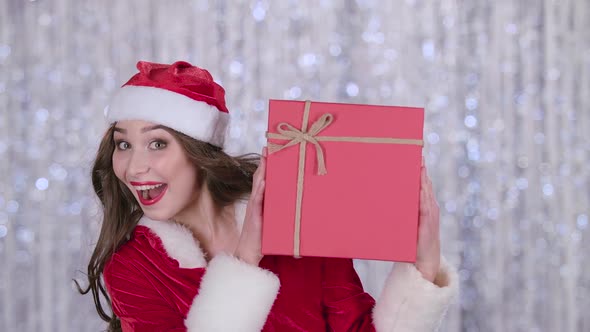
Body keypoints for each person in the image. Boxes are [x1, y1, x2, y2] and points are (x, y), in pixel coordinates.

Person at [78, 60, 458, 332]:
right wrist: (245, 261)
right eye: (123, 144)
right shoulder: (134, 267)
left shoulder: (299, 225)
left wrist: (423, 266)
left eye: (157, 143)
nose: (132, 168)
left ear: (200, 152)